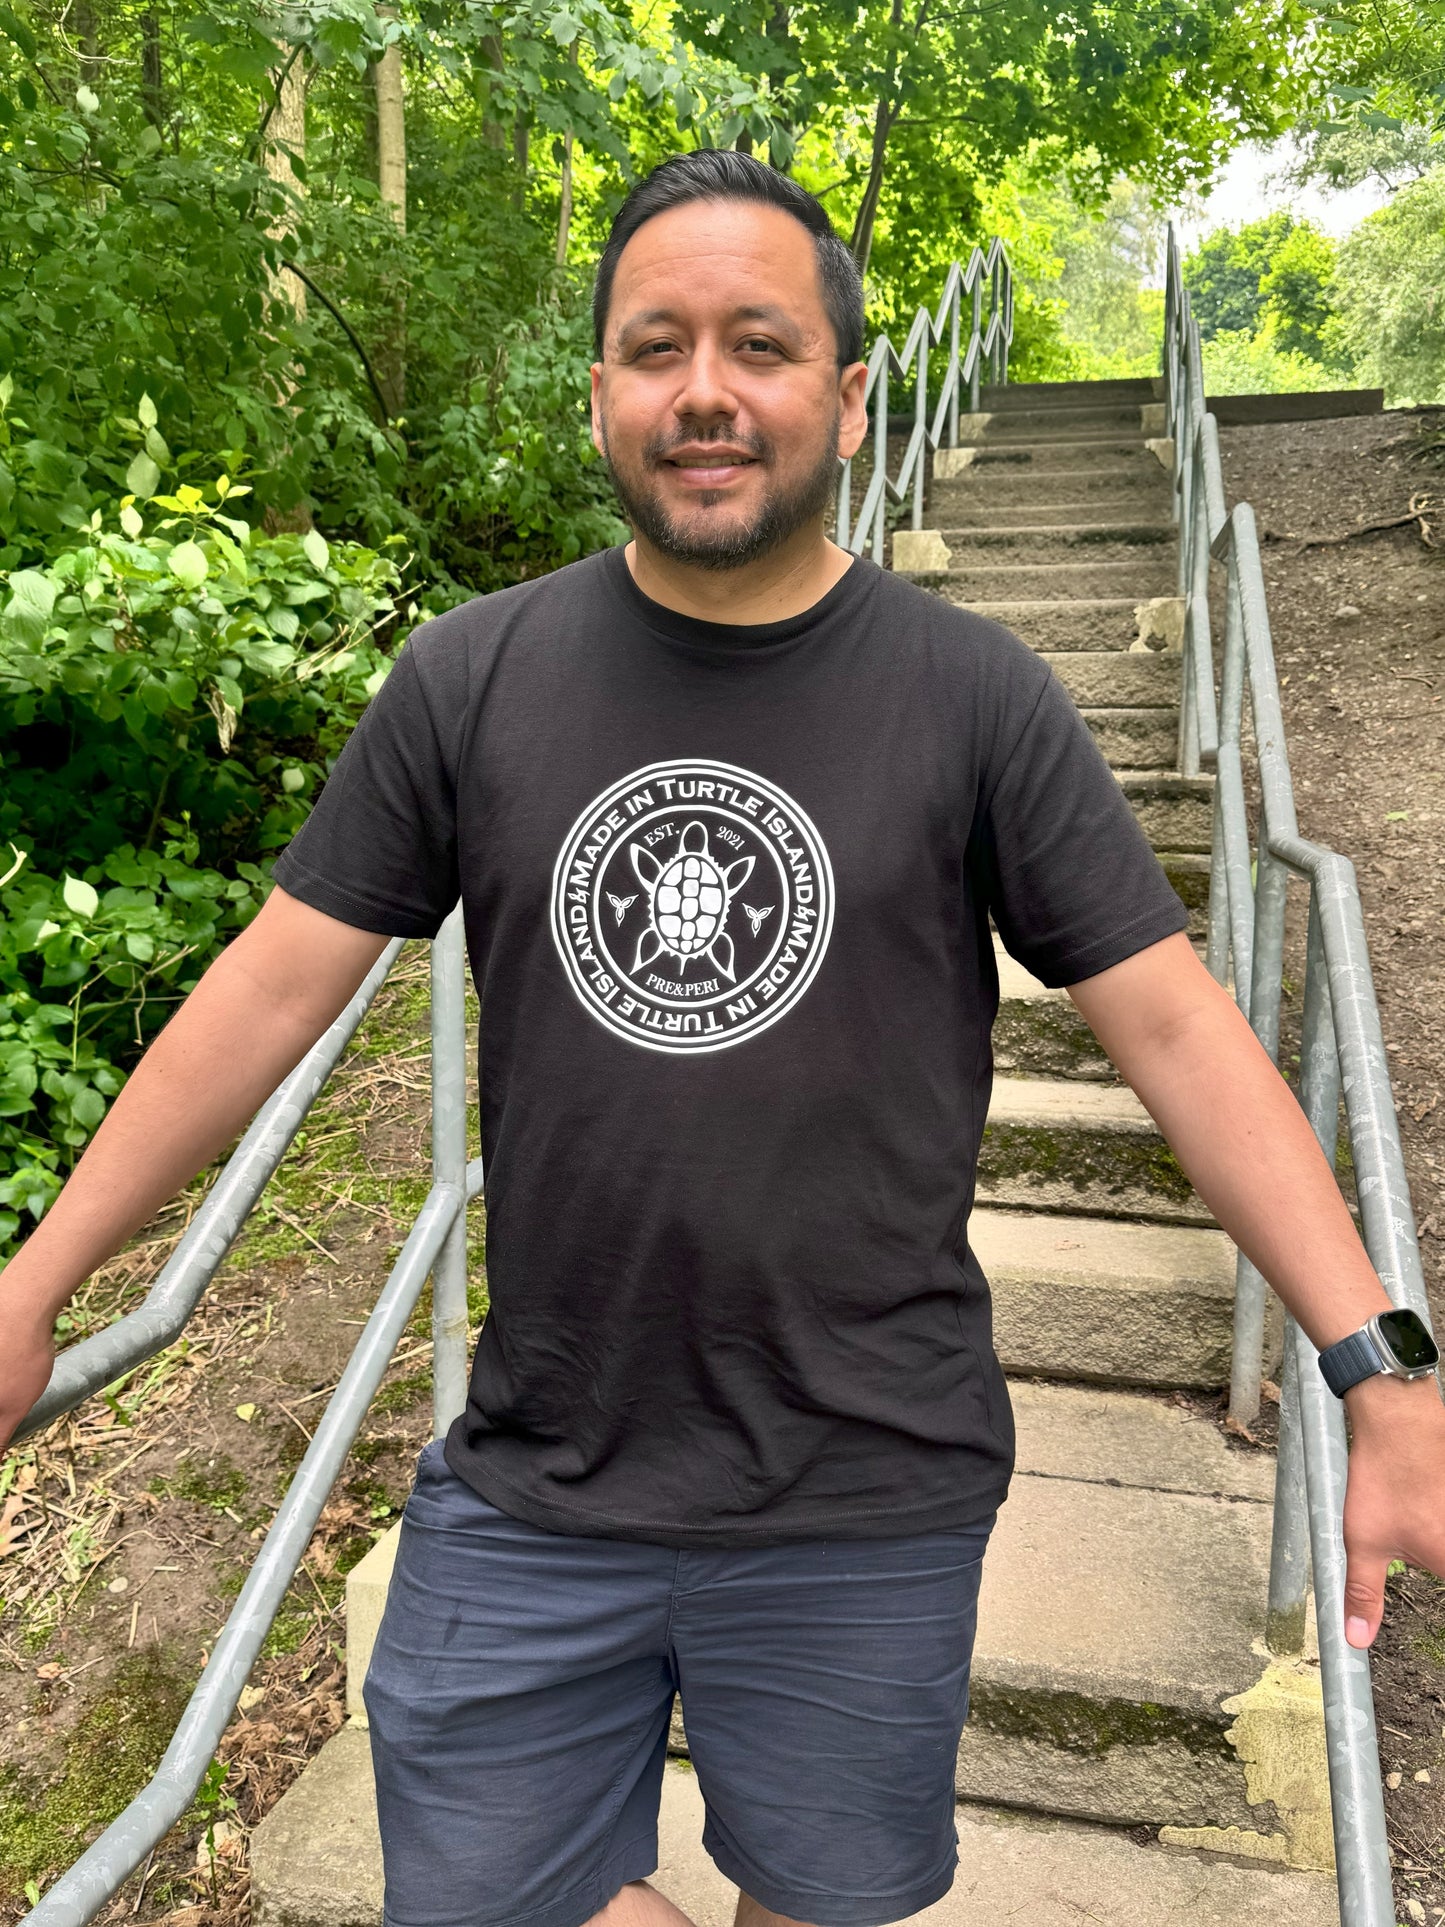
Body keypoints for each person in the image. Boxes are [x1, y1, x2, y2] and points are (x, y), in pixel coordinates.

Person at [3, 151, 1443, 1927]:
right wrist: (40, 1278)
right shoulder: (470, 680)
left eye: (757, 345)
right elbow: (269, 990)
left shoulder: (974, 695)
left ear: (845, 397)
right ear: (601, 388)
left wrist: (1378, 1364)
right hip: (542, 1474)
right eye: (653, 345)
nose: (702, 390)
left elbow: (1173, 1024)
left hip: (866, 1492)